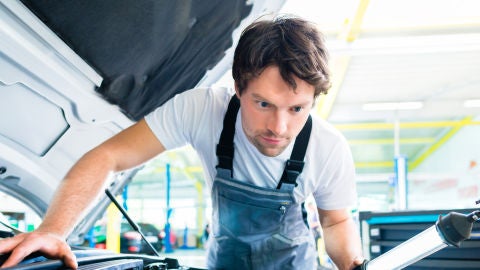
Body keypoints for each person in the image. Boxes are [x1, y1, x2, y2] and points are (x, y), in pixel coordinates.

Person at [0, 15, 364, 269]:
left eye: (297, 108)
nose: (280, 127)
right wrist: (52, 231)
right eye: (263, 103)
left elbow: (334, 222)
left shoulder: (328, 148)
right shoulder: (201, 110)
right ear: (238, 89)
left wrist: (352, 265)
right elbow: (108, 155)